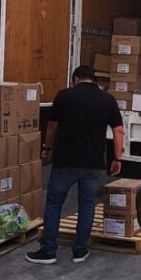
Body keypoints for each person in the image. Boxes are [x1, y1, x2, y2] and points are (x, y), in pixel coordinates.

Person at [25, 65, 124, 265]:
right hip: (94, 163)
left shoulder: (64, 96)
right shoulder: (108, 100)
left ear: (75, 79)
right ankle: (80, 250)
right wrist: (117, 158)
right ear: (94, 80)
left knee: (54, 204)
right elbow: (118, 130)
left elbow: (52, 125)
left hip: (65, 161)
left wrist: (47, 148)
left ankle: (48, 251)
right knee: (87, 205)